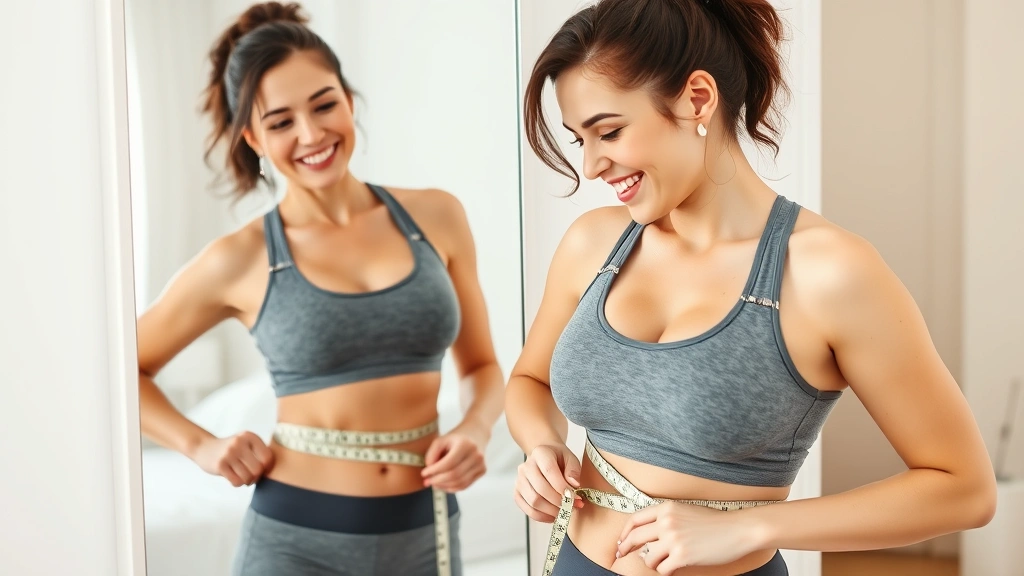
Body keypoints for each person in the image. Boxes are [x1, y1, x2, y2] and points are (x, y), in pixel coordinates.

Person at [505, 0, 996, 574]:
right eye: (578, 140)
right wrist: (541, 445)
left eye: (608, 132)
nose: (592, 166)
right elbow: (530, 379)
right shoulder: (596, 244)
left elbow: (963, 488)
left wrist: (748, 525)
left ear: (697, 98)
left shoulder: (826, 273)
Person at [135, 3, 504, 575]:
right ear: (254, 138)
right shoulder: (241, 258)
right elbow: (120, 373)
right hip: (294, 542)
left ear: (349, 100)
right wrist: (202, 446)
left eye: (324, 104)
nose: (311, 134)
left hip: (424, 528)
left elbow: (481, 365)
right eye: (281, 122)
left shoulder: (437, 215)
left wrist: (475, 429)